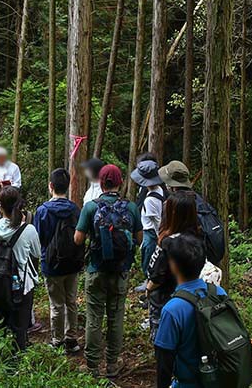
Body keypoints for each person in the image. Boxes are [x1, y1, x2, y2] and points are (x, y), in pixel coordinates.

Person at [74, 164, 143, 378]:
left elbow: (78, 239)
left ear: (101, 183)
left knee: (94, 317)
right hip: (120, 271)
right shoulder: (130, 207)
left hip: (96, 270)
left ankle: (93, 365)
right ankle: (113, 363)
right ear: (120, 182)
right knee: (116, 316)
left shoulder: (91, 207)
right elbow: (139, 239)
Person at [154, 233, 227, 388]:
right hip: (218, 379)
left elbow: (164, 363)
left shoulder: (172, 310)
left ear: (173, 265)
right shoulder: (219, 293)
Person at [33, 168, 82, 354]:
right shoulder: (74, 209)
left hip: (51, 263)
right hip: (72, 262)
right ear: (67, 186)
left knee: (56, 304)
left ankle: (57, 339)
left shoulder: (42, 211)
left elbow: (39, 239)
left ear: (50, 186)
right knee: (71, 301)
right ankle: (72, 339)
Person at [0, 187, 40, 350]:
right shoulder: (28, 229)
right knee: (20, 328)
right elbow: (37, 252)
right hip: (22, 286)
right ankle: (18, 364)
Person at [147, 192, 202, 340]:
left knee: (164, 342)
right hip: (193, 298)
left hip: (164, 300)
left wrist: (148, 288)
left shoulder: (168, 242)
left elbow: (157, 275)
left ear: (172, 213)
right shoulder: (199, 238)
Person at [131, 159, 166, 293]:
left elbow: (156, 220)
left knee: (149, 258)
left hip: (151, 232)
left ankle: (149, 283)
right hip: (151, 231)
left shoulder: (150, 199)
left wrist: (159, 237)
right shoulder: (159, 190)